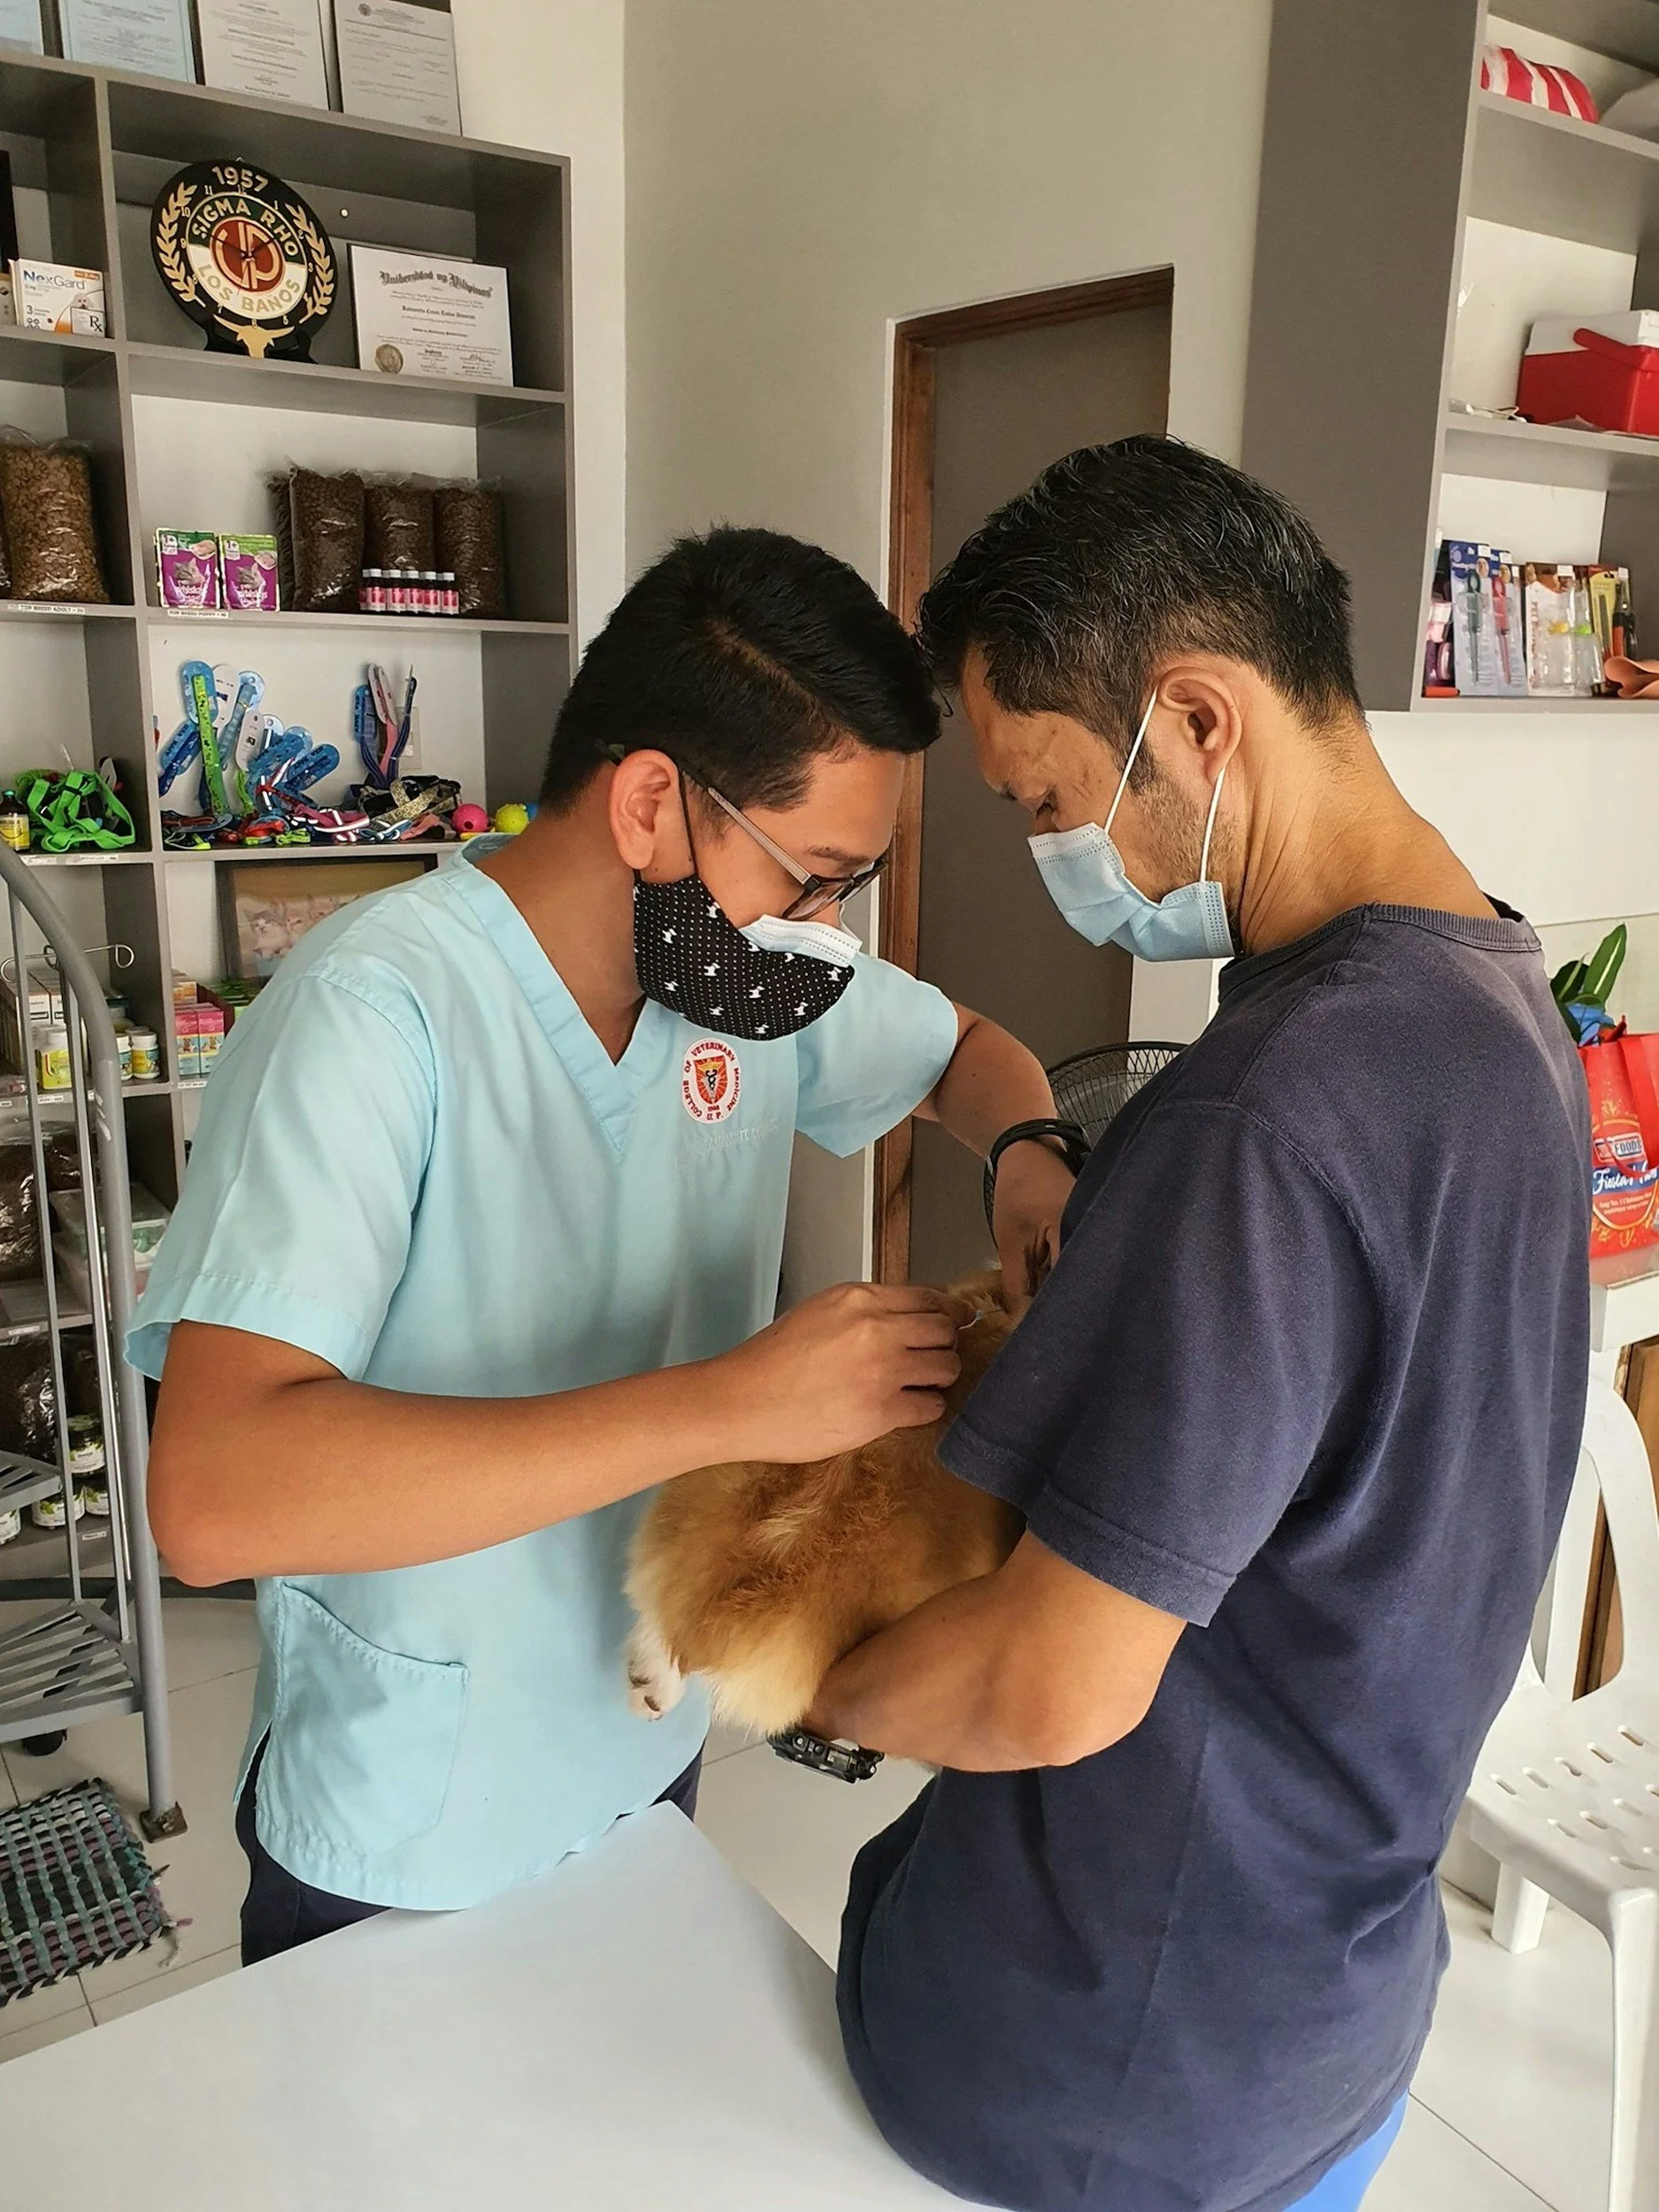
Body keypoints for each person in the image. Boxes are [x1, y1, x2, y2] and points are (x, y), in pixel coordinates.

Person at [815, 439, 1591, 2212]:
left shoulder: (1259, 1114)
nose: (1043, 857)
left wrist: (813, 1686)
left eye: (1042, 798)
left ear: (1196, 721)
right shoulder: (1496, 993)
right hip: (1332, 2022)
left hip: (1107, 2074)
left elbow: (1046, 1679)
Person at [132, 526, 1075, 1962]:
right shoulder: (374, 1015)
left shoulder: (745, 985)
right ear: (650, 803)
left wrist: (1026, 1164)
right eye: (809, 874)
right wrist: (733, 1405)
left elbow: (967, 1054)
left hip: (641, 1746)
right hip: (418, 1818)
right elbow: (215, 1494)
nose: (824, 928)